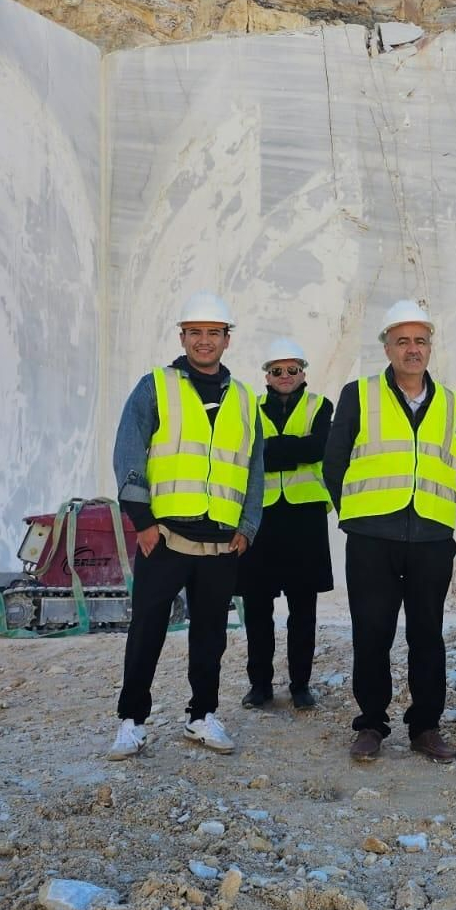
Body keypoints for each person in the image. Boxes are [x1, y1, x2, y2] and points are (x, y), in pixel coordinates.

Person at [107, 292, 264, 760]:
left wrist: (248, 526)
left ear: (226, 340)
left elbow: (254, 467)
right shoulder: (155, 386)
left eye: (213, 333)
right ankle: (131, 722)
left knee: (210, 634)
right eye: (194, 333)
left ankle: (202, 715)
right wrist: (143, 521)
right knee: (148, 630)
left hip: (219, 541)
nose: (203, 341)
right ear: (182, 337)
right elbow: (128, 453)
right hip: (166, 537)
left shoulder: (243, 397)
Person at [323, 299, 456, 764]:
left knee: (428, 634)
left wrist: (438, 515)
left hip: (430, 537)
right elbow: (334, 462)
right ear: (386, 347)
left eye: (420, 341)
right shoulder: (358, 394)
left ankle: (426, 726)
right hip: (372, 537)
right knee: (372, 632)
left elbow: (453, 465)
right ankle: (370, 725)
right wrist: (359, 514)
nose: (412, 349)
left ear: (430, 348)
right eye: (402, 341)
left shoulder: (450, 402)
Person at [238, 337, 333, 711]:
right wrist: (293, 447)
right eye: (277, 370)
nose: (285, 376)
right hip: (260, 516)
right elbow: (248, 452)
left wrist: (271, 450)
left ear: (302, 372)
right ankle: (259, 685)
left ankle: (300, 685)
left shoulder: (319, 406)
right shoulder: (248, 409)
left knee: (303, 609)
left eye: (292, 370)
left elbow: (318, 448)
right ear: (267, 375)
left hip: (303, 517)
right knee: (257, 607)